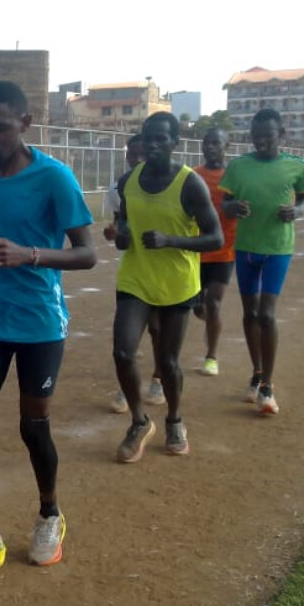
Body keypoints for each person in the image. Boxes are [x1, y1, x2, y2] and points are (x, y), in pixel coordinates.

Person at [0, 80, 96, 585]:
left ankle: (50, 513)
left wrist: (28, 255)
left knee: (33, 427)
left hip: (39, 323)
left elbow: (87, 253)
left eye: (1, 129)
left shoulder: (54, 178)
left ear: (26, 124)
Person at [111, 113, 222, 461]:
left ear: (175, 142)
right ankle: (139, 422)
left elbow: (215, 238)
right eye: (148, 138)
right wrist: (122, 235)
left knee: (168, 361)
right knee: (123, 352)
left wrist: (171, 240)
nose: (153, 145)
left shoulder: (190, 184)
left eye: (161, 138)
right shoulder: (128, 181)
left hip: (177, 284)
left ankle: (174, 419)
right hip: (136, 279)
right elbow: (123, 226)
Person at [219, 109, 304, 414]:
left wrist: (297, 211)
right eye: (256, 136)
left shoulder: (297, 166)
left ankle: (268, 386)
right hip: (246, 248)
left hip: (278, 248)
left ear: (281, 135)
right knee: (250, 313)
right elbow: (224, 202)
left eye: (267, 136)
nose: (260, 141)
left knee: (267, 314)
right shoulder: (238, 167)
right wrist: (232, 207)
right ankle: (257, 372)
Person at [103, 134, 164, 412]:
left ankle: (158, 380)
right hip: (133, 270)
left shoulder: (171, 183)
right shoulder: (121, 187)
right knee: (127, 337)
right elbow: (122, 231)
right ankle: (126, 389)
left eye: (143, 154)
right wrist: (115, 234)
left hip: (166, 270)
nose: (137, 160)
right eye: (132, 154)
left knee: (157, 329)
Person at [192, 128, 235, 375]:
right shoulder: (193, 176)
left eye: (216, 143)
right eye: (206, 143)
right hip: (195, 250)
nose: (210, 147)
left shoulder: (234, 178)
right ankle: (205, 315)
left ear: (226, 146)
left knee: (214, 302)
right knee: (198, 307)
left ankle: (211, 357)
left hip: (223, 251)